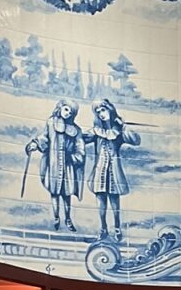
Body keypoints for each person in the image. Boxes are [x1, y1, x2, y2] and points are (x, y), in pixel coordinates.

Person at [25, 99, 85, 231]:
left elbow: (80, 148)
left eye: (71, 111)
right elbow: (44, 138)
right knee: (54, 192)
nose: (68, 113)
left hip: (68, 166)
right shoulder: (51, 123)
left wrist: (75, 157)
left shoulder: (76, 130)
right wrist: (35, 144)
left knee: (66, 194)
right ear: (60, 108)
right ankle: (56, 217)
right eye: (66, 109)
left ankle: (68, 218)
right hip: (53, 164)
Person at [85, 99, 140, 240]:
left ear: (110, 110)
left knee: (115, 202)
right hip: (99, 170)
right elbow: (82, 138)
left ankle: (117, 228)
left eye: (103, 110)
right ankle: (103, 229)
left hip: (114, 171)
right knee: (100, 200)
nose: (102, 114)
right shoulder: (97, 131)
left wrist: (124, 126)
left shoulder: (118, 131)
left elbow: (135, 140)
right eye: (98, 112)